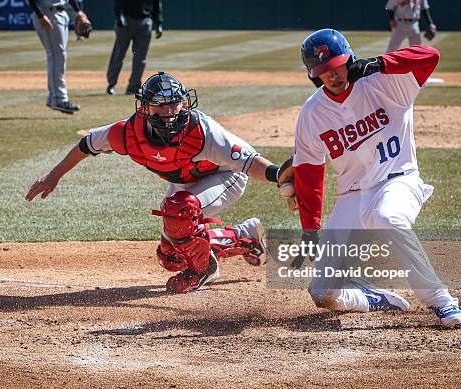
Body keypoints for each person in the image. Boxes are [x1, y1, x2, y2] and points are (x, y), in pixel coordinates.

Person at [26, 72, 283, 294]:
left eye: (174, 104)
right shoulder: (126, 134)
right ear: (145, 107)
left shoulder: (203, 131)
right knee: (170, 256)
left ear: (185, 103)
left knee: (179, 215)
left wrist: (278, 175)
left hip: (226, 176)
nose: (169, 113)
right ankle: (243, 237)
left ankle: (205, 269)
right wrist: (53, 176)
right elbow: (86, 146)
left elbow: (250, 162)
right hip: (186, 186)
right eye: (160, 105)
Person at [288, 28, 461, 328]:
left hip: (399, 180)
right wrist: (309, 230)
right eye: (324, 71)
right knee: (321, 293)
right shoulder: (312, 113)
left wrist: (379, 63)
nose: (333, 75)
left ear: (350, 59)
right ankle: (372, 297)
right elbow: (308, 172)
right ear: (313, 75)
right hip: (352, 196)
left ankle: (441, 300)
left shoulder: (385, 83)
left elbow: (429, 56)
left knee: (389, 217)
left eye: (338, 65)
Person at [28, 0, 90, 114]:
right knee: (57, 57)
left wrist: (78, 11)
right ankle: (59, 99)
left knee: (59, 56)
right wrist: (40, 15)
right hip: (48, 13)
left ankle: (54, 97)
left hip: (61, 13)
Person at [106, 0, 163, 96]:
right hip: (127, 19)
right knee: (119, 54)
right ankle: (111, 84)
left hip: (145, 21)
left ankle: (134, 87)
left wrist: (159, 23)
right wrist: (119, 15)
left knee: (140, 58)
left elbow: (157, 4)